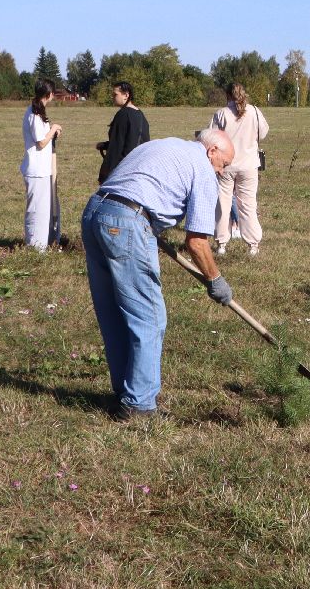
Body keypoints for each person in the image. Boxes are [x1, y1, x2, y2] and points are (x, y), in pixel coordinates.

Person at [81, 130, 237, 421]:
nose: (222, 170)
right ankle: (139, 405)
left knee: (114, 311)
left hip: (95, 212)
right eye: (224, 163)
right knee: (148, 316)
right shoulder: (203, 169)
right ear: (212, 150)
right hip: (126, 221)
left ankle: (125, 391)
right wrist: (215, 280)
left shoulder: (167, 145)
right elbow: (197, 242)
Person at [208, 82, 269, 257]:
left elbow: (210, 137)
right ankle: (253, 244)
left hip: (225, 165)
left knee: (222, 204)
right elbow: (263, 133)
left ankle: (221, 244)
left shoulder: (221, 114)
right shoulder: (255, 112)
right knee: (248, 205)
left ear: (227, 95)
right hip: (249, 165)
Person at [20, 80, 64, 252]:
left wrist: (53, 133)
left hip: (44, 170)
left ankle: (46, 244)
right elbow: (40, 142)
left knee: (46, 210)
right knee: (37, 211)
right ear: (49, 94)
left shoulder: (39, 111)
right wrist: (53, 129)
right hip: (36, 171)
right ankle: (35, 248)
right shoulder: (33, 113)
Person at [96, 81, 150, 184]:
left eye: (115, 94)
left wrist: (104, 174)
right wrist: (105, 145)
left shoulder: (123, 115)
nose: (113, 97)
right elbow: (132, 140)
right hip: (140, 170)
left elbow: (116, 147)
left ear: (126, 95)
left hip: (122, 171)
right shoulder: (140, 115)